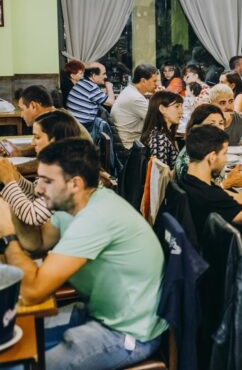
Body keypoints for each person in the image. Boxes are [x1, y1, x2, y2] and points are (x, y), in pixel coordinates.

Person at [0, 138, 168, 368]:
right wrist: (9, 209)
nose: (38, 189)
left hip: (127, 333)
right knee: (17, 337)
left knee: (21, 363)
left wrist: (8, 235)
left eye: (47, 181)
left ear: (75, 184)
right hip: (98, 313)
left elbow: (33, 292)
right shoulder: (76, 204)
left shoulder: (95, 217)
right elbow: (37, 243)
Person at [0, 111, 83, 226]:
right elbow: (36, 193)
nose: (33, 143)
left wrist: (9, 181)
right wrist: (16, 178)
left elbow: (32, 216)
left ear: (54, 141)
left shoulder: (65, 174)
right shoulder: (55, 164)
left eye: (37, 137)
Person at [177, 125, 242, 240]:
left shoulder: (186, 180)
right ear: (212, 157)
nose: (226, 159)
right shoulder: (209, 196)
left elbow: (238, 197)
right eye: (224, 153)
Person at [173, 104, 242, 189]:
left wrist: (230, 178)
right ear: (196, 127)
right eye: (212, 124)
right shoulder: (191, 157)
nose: (218, 128)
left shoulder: (209, 149)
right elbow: (197, 193)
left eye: (221, 123)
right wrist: (227, 183)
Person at [111, 64, 160, 150]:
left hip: (127, 141)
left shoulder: (130, 90)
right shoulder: (136, 98)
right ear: (143, 81)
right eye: (154, 81)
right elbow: (158, 120)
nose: (157, 84)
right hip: (131, 147)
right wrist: (161, 97)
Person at [140, 91, 184, 169]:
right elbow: (159, 173)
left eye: (181, 106)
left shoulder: (163, 132)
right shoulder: (159, 138)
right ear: (162, 109)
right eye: (177, 106)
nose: (181, 112)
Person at [66, 62, 114, 126]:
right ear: (94, 76)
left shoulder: (82, 82)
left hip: (74, 122)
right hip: (84, 126)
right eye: (103, 74)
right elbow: (111, 102)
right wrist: (109, 87)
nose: (106, 76)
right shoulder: (91, 87)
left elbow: (92, 94)